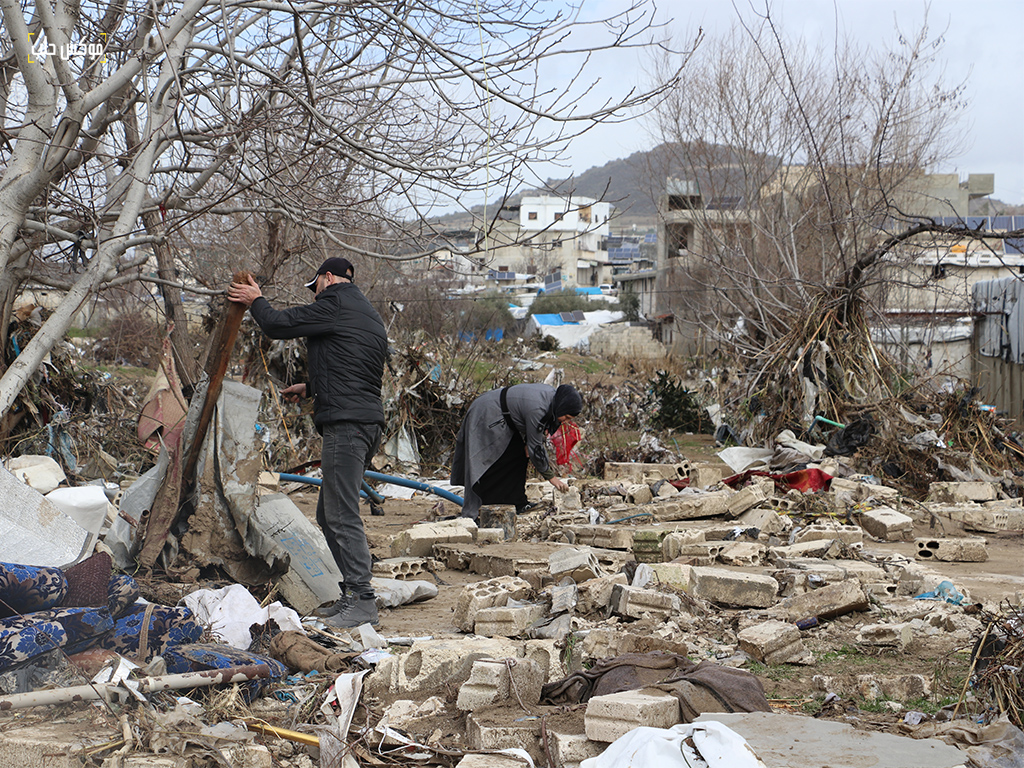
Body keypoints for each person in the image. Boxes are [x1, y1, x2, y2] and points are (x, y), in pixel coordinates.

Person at [228, 257, 387, 628]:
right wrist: (312, 387)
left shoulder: (334, 302)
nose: (314, 293)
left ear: (327, 278)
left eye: (314, 285)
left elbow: (277, 325)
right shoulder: (367, 313)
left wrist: (256, 301)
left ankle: (363, 601)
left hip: (348, 426)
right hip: (363, 422)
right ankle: (351, 595)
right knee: (327, 515)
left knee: (340, 514)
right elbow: (354, 367)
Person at [451, 383, 582, 522]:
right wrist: (551, 478)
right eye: (566, 417)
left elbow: (534, 431)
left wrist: (527, 442)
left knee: (519, 455)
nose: (565, 422)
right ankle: (483, 509)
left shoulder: (553, 399)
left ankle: (515, 502)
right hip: (488, 413)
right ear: (561, 407)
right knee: (492, 461)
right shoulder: (539, 408)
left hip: (506, 418)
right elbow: (536, 448)